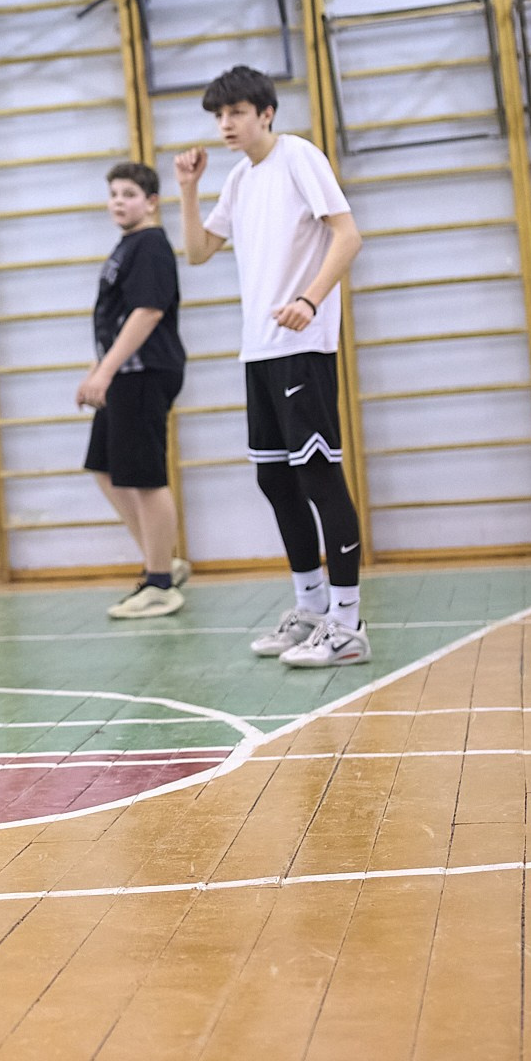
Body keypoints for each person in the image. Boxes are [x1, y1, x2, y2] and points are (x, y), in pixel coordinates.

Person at [176, 65, 369, 667]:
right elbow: (199, 251)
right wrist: (188, 189)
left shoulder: (298, 157)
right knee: (275, 481)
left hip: (303, 346)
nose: (226, 124)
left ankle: (348, 623)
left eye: (236, 112)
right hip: (259, 349)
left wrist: (309, 300)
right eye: (219, 115)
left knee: (319, 478)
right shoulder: (239, 177)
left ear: (266, 113)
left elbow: (348, 235)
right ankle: (310, 607)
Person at [80, 161, 189, 619]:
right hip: (122, 374)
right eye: (114, 194)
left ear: (151, 202)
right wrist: (97, 368)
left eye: (129, 194)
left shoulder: (150, 245)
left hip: (145, 373)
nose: (118, 202)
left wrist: (105, 372)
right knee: (105, 467)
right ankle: (160, 559)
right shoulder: (126, 247)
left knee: (146, 477)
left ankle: (160, 583)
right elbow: (117, 317)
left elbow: (147, 312)